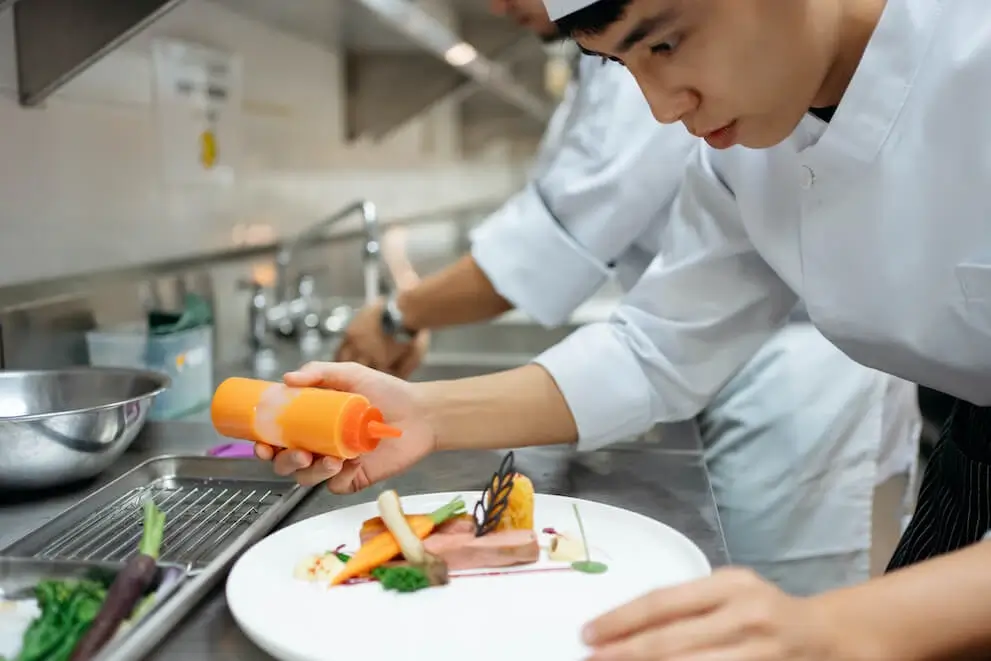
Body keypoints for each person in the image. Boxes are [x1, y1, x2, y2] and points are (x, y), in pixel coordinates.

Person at [255, 0, 991, 655]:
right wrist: (422, 414)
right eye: (620, 64)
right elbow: (654, 346)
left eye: (664, 43)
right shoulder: (746, 156)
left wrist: (837, 628)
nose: (662, 110)